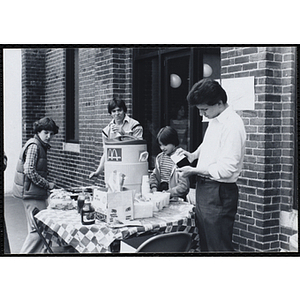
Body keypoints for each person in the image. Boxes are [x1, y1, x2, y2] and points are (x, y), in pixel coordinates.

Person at [177, 79, 246, 252]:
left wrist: (194, 170)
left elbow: (226, 168)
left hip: (218, 191)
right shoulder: (216, 119)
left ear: (220, 103)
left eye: (204, 109)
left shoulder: (232, 125)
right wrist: (193, 156)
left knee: (218, 246)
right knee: (206, 244)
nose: (202, 114)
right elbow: (209, 144)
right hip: (206, 189)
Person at [12, 117, 59, 254]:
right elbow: (29, 171)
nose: (49, 136)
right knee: (38, 231)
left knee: (39, 230)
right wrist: (47, 185)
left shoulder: (38, 144)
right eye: (46, 132)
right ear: (38, 131)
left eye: (51, 133)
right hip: (32, 194)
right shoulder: (34, 145)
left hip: (34, 193)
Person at [89, 98, 143, 179]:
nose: (117, 113)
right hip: (114, 170)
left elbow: (140, 146)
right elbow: (106, 153)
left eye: (119, 110)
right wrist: (98, 172)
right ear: (110, 113)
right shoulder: (106, 131)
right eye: (114, 111)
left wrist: (124, 133)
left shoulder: (134, 125)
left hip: (132, 167)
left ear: (124, 110)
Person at [149, 126, 189, 200]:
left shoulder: (181, 158)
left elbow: (184, 186)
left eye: (165, 144)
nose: (162, 148)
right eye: (160, 145)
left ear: (173, 142)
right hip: (160, 197)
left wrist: (169, 193)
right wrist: (154, 188)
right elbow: (154, 175)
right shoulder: (160, 157)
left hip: (176, 199)